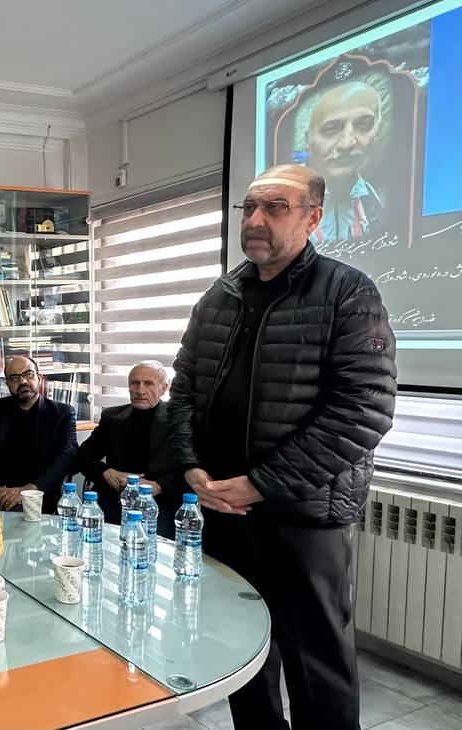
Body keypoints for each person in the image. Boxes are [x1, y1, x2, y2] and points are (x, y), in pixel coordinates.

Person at [169, 164, 396, 729]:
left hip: (303, 516)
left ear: (313, 218)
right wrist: (192, 467)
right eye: (249, 207)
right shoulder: (219, 296)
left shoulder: (347, 292)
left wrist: (262, 484)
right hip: (223, 508)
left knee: (316, 661)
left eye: (275, 207)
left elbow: (362, 411)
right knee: (240, 650)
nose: (255, 219)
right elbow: (183, 392)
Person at [72, 360, 183, 537]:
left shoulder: (178, 421)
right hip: (112, 500)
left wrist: (159, 486)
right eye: (135, 383)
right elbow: (83, 455)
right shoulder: (112, 417)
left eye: (148, 383)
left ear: (164, 388)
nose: (140, 390)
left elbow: (191, 469)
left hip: (158, 505)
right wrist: (106, 472)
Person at [0, 356, 77, 514]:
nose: (22, 381)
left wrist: (30, 489)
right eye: (14, 378)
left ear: (39, 378)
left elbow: (67, 455)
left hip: (40, 496)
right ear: (7, 384)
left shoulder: (62, 413)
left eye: (28, 374)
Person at [305, 81, 384, 242]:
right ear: (308, 138)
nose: (347, 143)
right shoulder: (285, 200)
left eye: (363, 125)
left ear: (377, 131)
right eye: (331, 129)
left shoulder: (370, 198)